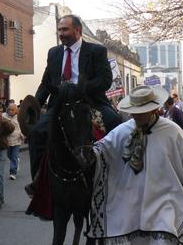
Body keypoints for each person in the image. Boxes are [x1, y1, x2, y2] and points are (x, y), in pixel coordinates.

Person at [88, 85, 183, 245]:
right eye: (134, 112)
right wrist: (84, 152)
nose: (136, 116)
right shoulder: (123, 131)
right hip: (135, 202)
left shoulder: (171, 131)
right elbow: (102, 150)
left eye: (141, 112)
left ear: (153, 109)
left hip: (166, 200)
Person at [29, 15, 122, 180]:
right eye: (59, 30)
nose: (61, 33)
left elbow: (105, 80)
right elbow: (46, 83)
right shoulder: (54, 53)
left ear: (77, 30)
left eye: (65, 29)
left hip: (89, 102)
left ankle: (118, 175)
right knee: (36, 133)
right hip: (59, 104)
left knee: (115, 122)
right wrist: (33, 107)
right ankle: (37, 181)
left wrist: (78, 89)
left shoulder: (96, 51)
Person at [3, 103, 24, 180]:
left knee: (14, 156)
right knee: (9, 155)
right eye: (9, 109)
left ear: (16, 111)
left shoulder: (19, 117)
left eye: (12, 110)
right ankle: (16, 161)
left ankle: (13, 173)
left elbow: (22, 127)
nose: (10, 111)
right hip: (7, 140)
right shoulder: (3, 116)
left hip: (17, 140)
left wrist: (22, 136)